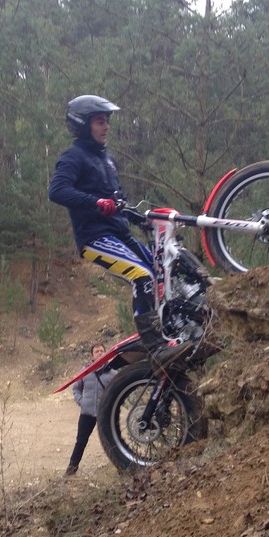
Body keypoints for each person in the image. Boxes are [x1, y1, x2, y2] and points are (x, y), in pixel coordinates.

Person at [48, 94, 190, 371]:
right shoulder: (73, 157)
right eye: (100, 121)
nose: (106, 127)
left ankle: (169, 328)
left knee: (160, 272)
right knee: (142, 275)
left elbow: (118, 200)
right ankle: (154, 345)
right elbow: (57, 191)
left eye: (107, 121)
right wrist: (95, 202)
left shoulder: (107, 159)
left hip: (120, 233)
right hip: (95, 238)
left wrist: (140, 219)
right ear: (83, 125)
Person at [65, 343, 115, 476]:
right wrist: (82, 402)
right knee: (81, 441)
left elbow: (117, 393)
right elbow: (76, 389)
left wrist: (110, 406)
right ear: (92, 356)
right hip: (87, 413)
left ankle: (121, 468)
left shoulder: (112, 373)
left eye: (102, 351)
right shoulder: (85, 371)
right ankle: (71, 469)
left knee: (111, 441)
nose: (100, 353)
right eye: (97, 351)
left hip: (104, 414)